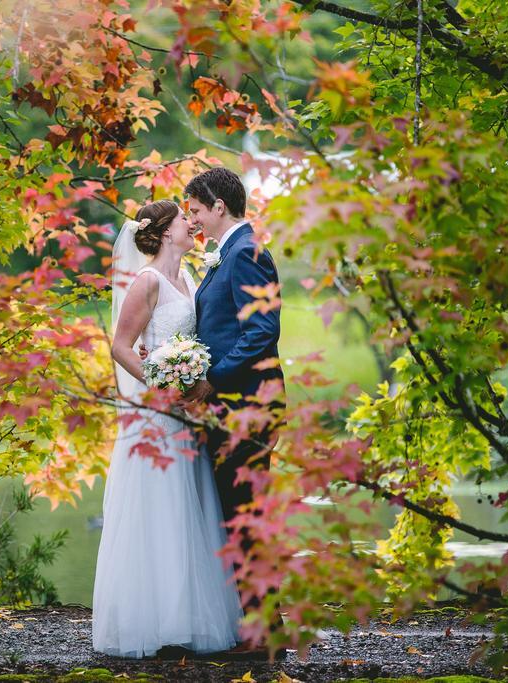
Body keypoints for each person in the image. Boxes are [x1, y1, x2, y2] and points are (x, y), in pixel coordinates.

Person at [91, 199, 243, 659]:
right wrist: (160, 383)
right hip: (156, 416)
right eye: (183, 219)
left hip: (185, 417)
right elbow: (121, 346)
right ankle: (151, 621)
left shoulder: (190, 278)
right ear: (162, 232)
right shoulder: (148, 281)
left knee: (188, 509)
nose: (191, 224)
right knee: (157, 511)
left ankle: (187, 617)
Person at [182, 167, 285, 659]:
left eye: (197, 210)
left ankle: (266, 632)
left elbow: (262, 331)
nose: (194, 220)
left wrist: (213, 378)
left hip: (246, 404)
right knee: (240, 514)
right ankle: (265, 625)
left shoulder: (245, 253)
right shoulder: (232, 254)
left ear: (218, 205)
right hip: (234, 405)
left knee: (245, 515)